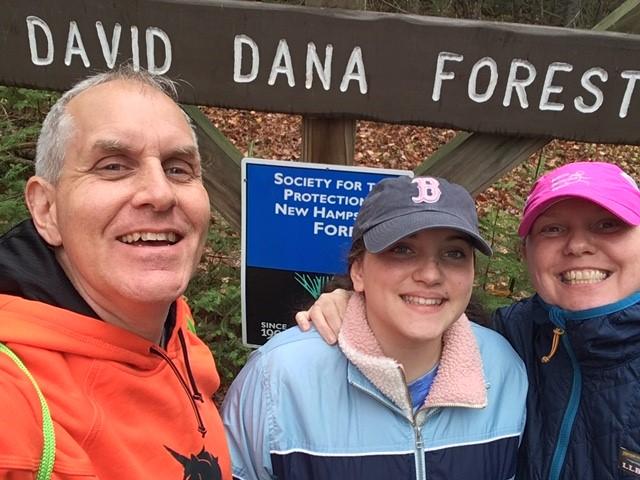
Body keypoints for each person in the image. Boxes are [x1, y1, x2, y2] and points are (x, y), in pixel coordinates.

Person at [298, 161, 640, 480]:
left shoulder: (505, 350)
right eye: (553, 229)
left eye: (608, 225)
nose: (578, 245)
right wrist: (355, 300)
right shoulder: (514, 337)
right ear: (527, 252)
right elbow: (432, 316)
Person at [0, 67, 231, 479]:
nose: (159, 193)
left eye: (178, 168)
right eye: (113, 166)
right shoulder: (15, 398)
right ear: (45, 210)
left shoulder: (176, 327)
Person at [222, 175, 528, 479]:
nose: (430, 274)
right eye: (403, 249)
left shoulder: (503, 372)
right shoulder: (278, 378)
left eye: (454, 253)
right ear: (358, 271)